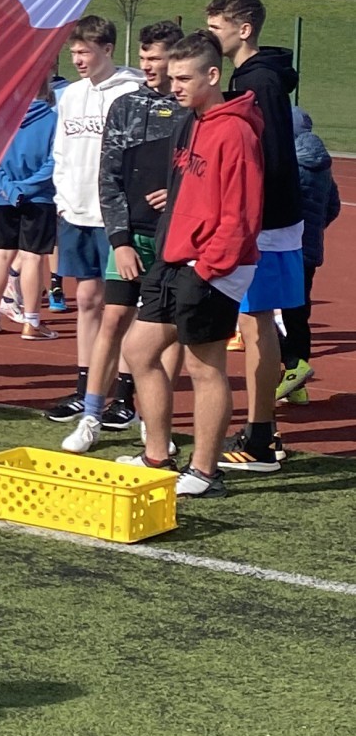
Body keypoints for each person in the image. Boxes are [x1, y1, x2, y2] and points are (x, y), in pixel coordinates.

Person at [121, 33, 263, 499]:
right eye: (172, 77)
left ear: (212, 75)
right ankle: (157, 456)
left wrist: (207, 268)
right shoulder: (192, 121)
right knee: (139, 351)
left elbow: (242, 216)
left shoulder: (237, 132)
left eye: (184, 78)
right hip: (175, 256)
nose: (174, 85)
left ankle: (204, 472)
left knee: (205, 367)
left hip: (212, 265)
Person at [59, 22, 185, 454]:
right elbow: (108, 177)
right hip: (131, 235)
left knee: (167, 331)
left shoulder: (190, 111)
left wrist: (179, 194)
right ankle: (91, 416)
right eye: (144, 58)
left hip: (175, 239)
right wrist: (120, 240)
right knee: (112, 318)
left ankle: (154, 424)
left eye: (156, 58)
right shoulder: (125, 105)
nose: (147, 66)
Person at [205, 0, 304, 474]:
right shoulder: (257, 77)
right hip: (271, 220)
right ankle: (263, 432)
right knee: (256, 323)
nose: (209, 36)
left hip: (264, 223)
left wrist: (246, 214)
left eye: (216, 27)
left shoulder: (256, 82)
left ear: (243, 30)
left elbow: (268, 157)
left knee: (256, 324)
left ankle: (260, 437)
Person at [47, 13, 143, 431]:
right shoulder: (69, 95)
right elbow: (62, 151)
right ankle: (85, 389)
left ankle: (124, 395)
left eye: (85, 52)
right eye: (74, 52)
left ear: (107, 49)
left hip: (116, 215)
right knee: (86, 299)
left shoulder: (132, 90)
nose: (78, 60)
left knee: (122, 307)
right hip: (76, 211)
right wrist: (62, 199)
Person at [0, 83, 59, 342]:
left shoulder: (3, 122)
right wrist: (26, 188)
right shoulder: (54, 121)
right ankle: (32, 322)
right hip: (39, 199)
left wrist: (10, 189)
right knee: (33, 258)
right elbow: (54, 161)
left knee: (1, 255)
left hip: (6, 198)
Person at [279, 107, 340, 402]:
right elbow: (333, 207)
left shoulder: (286, 161)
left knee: (257, 314)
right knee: (298, 315)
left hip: (281, 248)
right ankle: (297, 385)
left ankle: (292, 364)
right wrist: (313, 230)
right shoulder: (322, 164)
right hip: (308, 250)